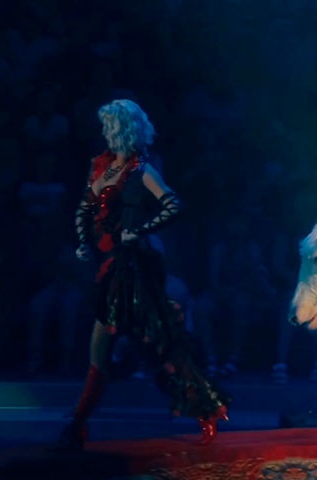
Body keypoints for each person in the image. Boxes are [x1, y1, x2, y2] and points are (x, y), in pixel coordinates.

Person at [62, 99, 229, 447]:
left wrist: (140, 230)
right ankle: (78, 423)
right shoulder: (103, 167)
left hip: (136, 270)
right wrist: (83, 242)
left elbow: (173, 205)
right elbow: (84, 208)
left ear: (121, 128)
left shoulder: (143, 170)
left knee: (159, 346)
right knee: (112, 350)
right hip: (111, 269)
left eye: (108, 125)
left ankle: (207, 410)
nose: (104, 131)